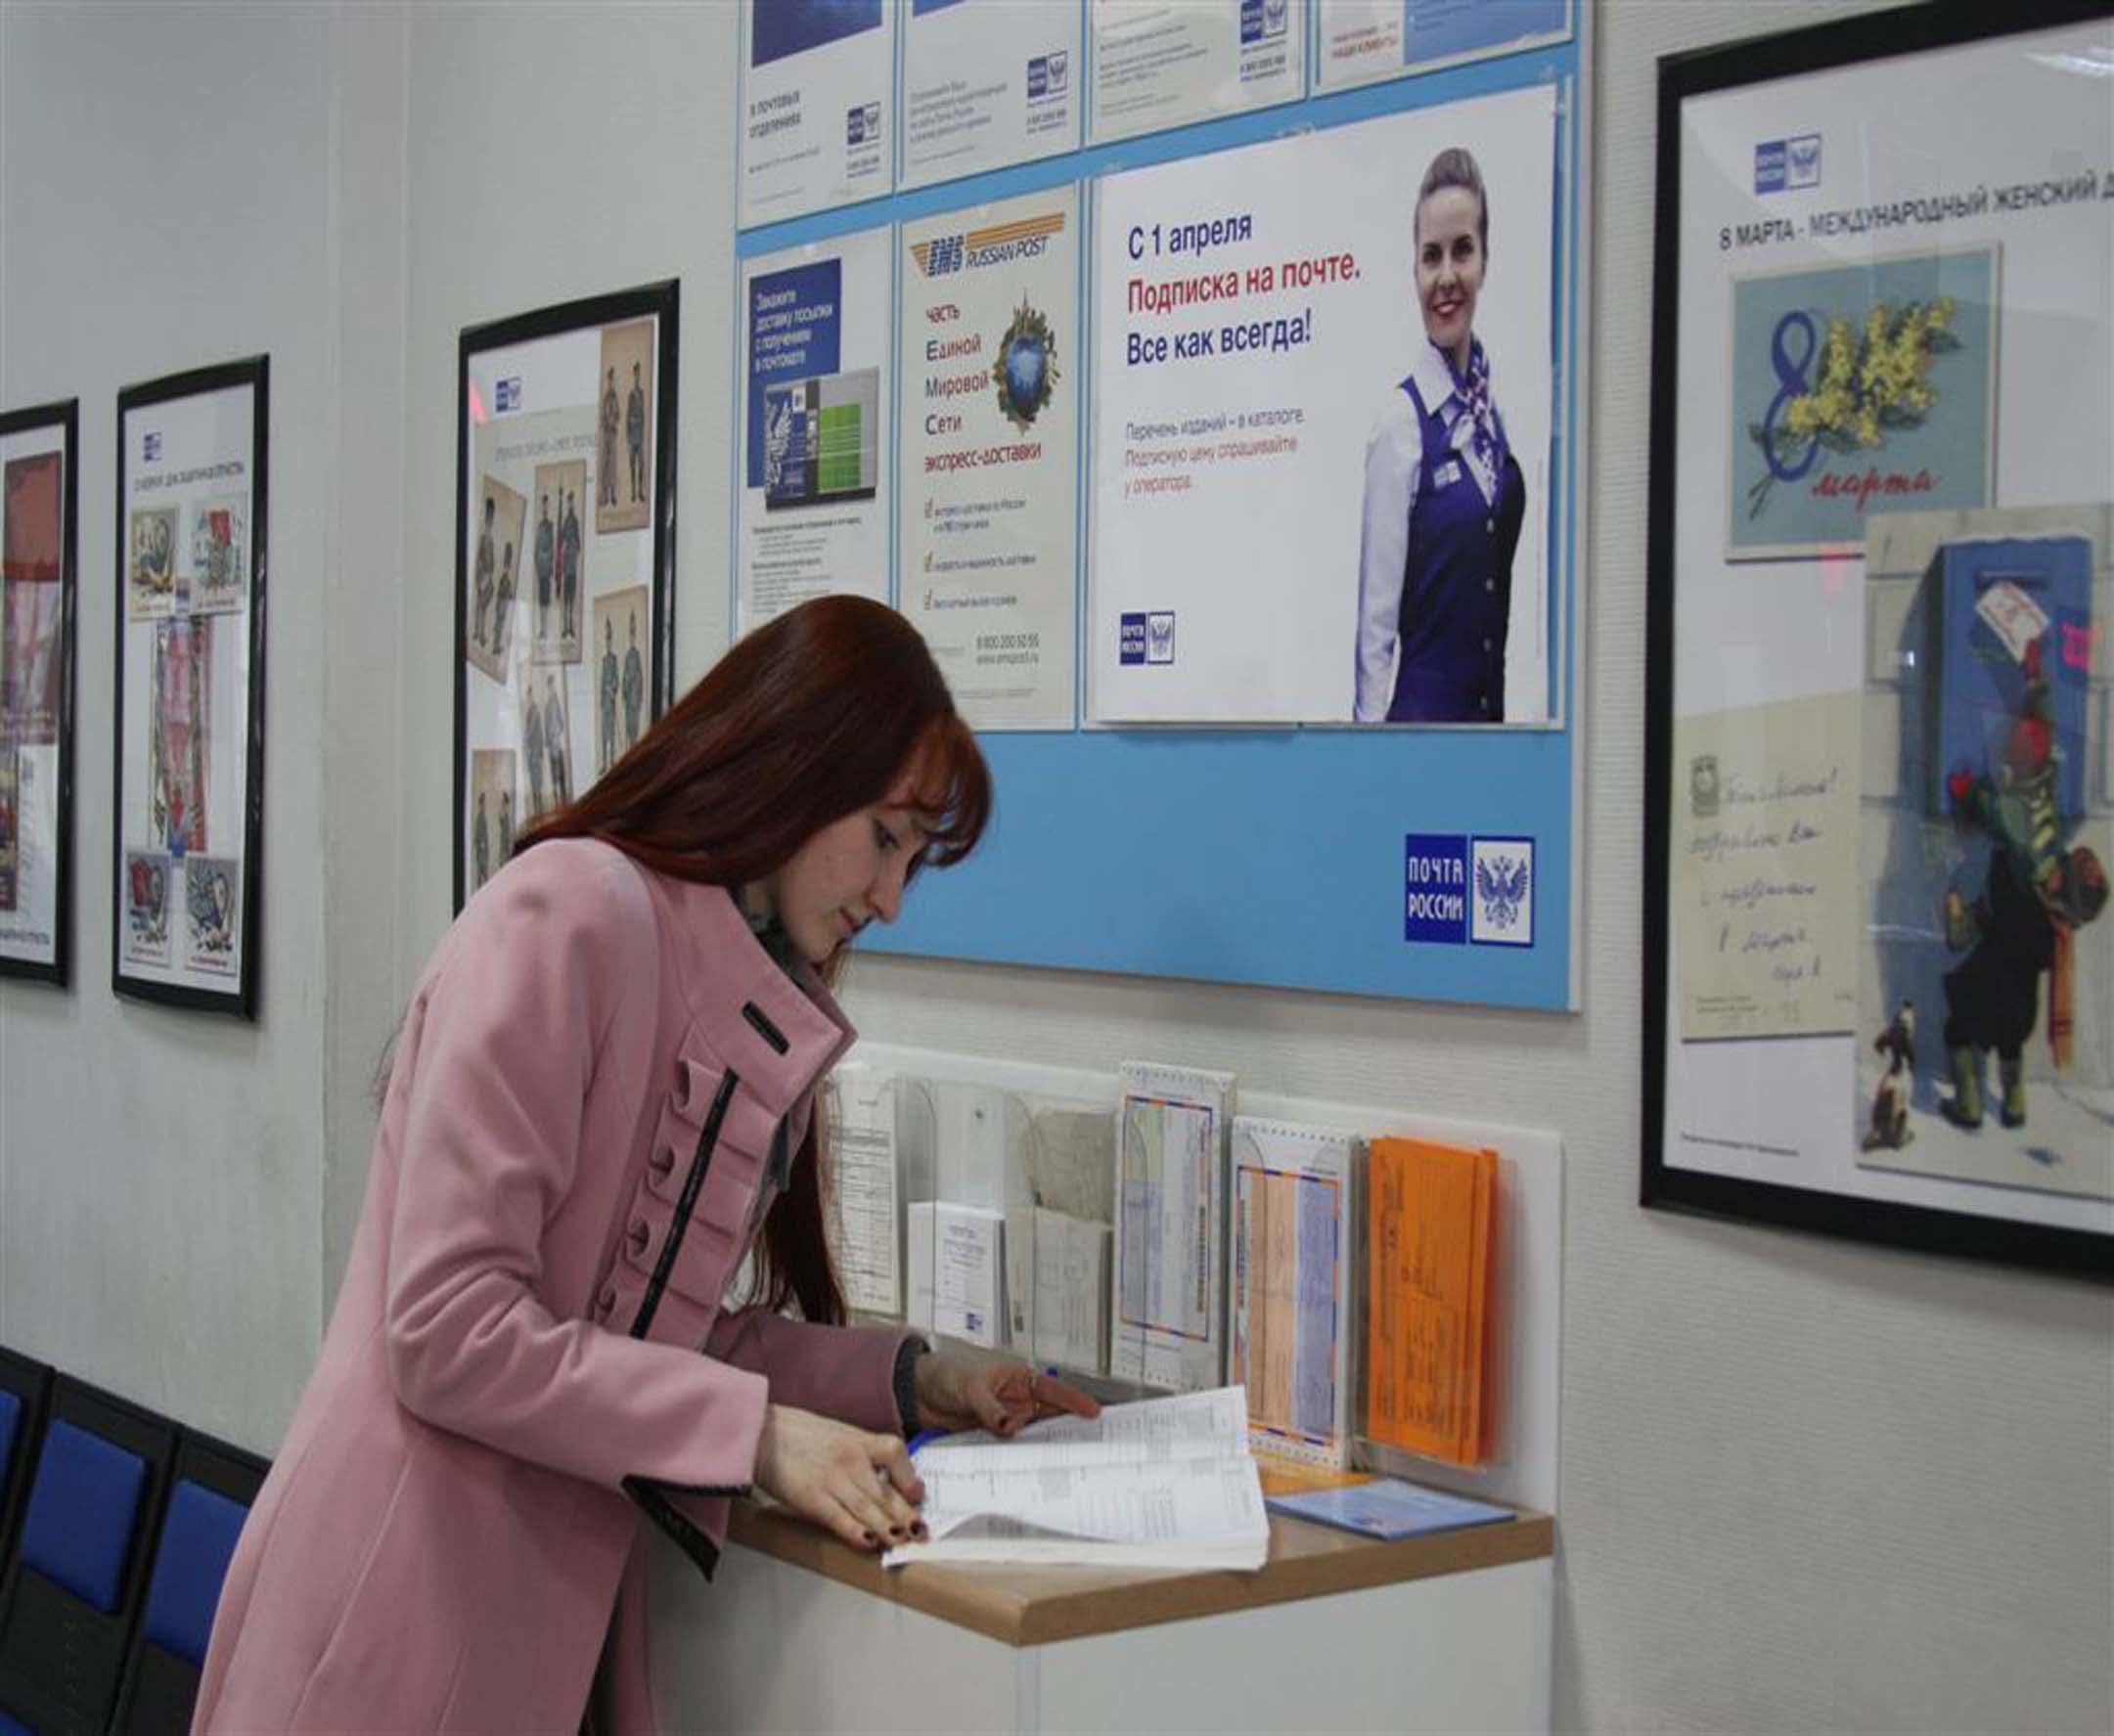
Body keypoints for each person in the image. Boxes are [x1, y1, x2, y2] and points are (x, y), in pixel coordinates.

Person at [195, 597, 1094, 1733]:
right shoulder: (568, 912)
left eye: (913, 859)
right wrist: (754, 1432)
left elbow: (649, 1338)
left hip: (539, 1619)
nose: (890, 898)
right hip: (396, 1608)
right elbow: (448, 1327)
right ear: (797, 766)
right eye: (884, 838)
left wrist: (919, 1377)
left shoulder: (728, 975)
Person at [1355, 146, 1526, 724]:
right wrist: (1367, 758)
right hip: (1418, 745)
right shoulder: (1401, 424)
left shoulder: (1495, 419)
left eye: (1462, 251)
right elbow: (1375, 634)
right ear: (1415, 273)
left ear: (1485, 262)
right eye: (1432, 257)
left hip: (1490, 739)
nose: (1447, 276)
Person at [561, 487, 583, 644]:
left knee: (572, 598)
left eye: (572, 502)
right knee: (566, 598)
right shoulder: (566, 522)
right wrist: (566, 546)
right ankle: (565, 627)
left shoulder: (575, 521)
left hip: (573, 565)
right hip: (566, 565)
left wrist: (573, 545)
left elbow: (578, 543)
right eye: (569, 502)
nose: (570, 504)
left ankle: (571, 627)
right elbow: (562, 540)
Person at [600, 616, 621, 776]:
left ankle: (613, 760)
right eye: (606, 641)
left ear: (611, 641)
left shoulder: (613, 659)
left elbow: (616, 678)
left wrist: (612, 690)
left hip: (611, 700)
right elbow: (602, 681)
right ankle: (604, 762)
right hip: (604, 703)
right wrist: (603, 694)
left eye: (609, 640)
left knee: (612, 733)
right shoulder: (603, 659)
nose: (608, 644)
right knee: (604, 733)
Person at [473, 496, 496, 651]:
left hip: (486, 575)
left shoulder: (489, 540)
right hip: (483, 576)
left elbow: (490, 561)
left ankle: (478, 631)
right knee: (481, 606)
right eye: (489, 519)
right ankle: (479, 634)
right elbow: (481, 561)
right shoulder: (484, 539)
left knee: (482, 606)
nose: (490, 523)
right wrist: (483, 578)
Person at [622, 608, 646, 749]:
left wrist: (640, 695)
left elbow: (639, 675)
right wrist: (624, 690)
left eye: (633, 636)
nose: (631, 639)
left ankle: (633, 746)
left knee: (635, 725)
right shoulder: (627, 656)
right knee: (629, 724)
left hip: (634, 697)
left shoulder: (636, 655)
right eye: (630, 636)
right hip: (628, 696)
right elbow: (625, 675)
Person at [534, 492, 555, 647]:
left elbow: (551, 547)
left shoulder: (550, 526)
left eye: (547, 506)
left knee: (546, 601)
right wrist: (537, 562)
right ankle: (542, 629)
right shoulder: (540, 527)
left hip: (547, 569)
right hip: (541, 569)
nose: (545, 509)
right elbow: (537, 548)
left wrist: (548, 560)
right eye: (543, 506)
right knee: (541, 601)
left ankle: (546, 629)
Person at [600, 366, 621, 508]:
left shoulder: (614, 397)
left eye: (613, 380)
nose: (611, 382)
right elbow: (602, 416)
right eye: (610, 380)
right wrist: (606, 423)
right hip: (606, 433)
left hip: (612, 433)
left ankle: (613, 495)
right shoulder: (606, 397)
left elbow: (618, 414)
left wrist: (613, 422)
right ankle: (606, 495)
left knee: (613, 464)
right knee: (606, 465)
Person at [627, 358, 648, 504]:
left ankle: (640, 491)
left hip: (639, 434)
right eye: (636, 374)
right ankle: (633, 492)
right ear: (633, 375)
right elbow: (628, 415)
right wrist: (628, 434)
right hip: (632, 434)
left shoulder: (641, 393)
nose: (637, 376)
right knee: (632, 465)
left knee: (641, 464)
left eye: (639, 374)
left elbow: (642, 412)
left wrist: (640, 425)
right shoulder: (631, 395)